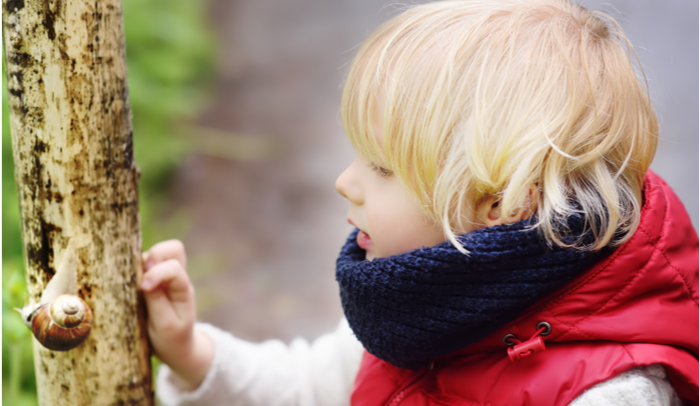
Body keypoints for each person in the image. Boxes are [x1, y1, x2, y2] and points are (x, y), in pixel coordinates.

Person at [139, 1, 700, 405]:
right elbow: (313, 389)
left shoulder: (612, 394)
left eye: (382, 168)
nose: (345, 182)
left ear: (499, 202)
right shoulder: (422, 310)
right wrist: (193, 354)